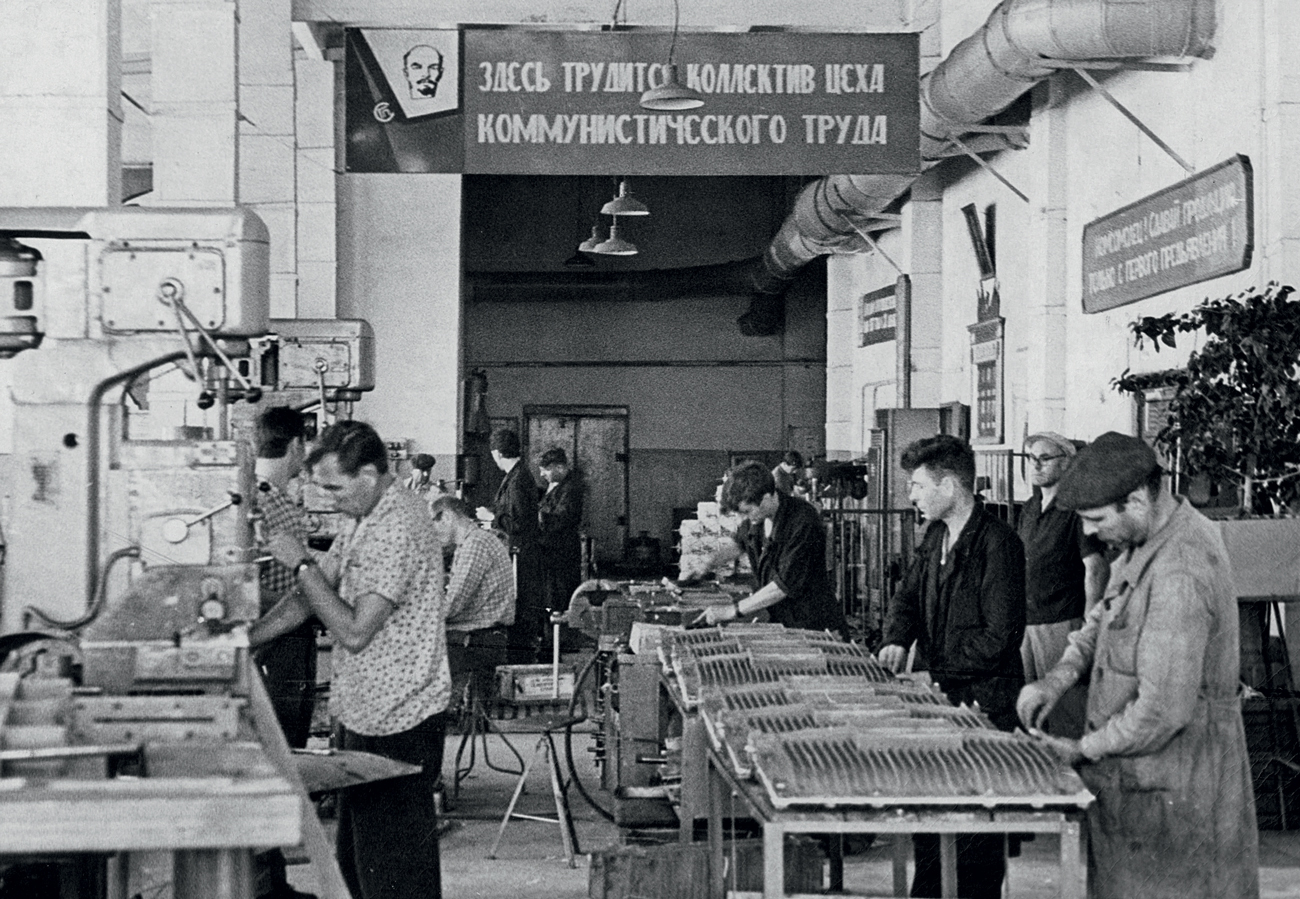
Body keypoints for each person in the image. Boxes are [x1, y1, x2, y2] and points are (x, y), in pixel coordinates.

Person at [1016, 432, 1258, 899]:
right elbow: (1103, 616)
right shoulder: (1145, 539)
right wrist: (1057, 677)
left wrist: (1081, 749)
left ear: (1136, 499)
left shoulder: (1180, 573)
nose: (1088, 533)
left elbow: (1161, 712)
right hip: (1141, 796)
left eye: (1096, 520)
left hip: (1179, 802)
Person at [252, 420, 449, 899]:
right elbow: (313, 594)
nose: (329, 499)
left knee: (394, 874)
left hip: (401, 718)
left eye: (335, 488)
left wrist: (298, 560)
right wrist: (249, 638)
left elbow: (354, 630)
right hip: (363, 709)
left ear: (368, 473)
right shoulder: (362, 516)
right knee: (359, 867)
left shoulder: (397, 525)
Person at [877, 434, 1025, 899]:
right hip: (941, 701)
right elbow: (908, 597)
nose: (912, 496)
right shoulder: (936, 535)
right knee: (932, 824)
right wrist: (896, 639)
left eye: (918, 486)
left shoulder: (998, 545)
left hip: (985, 706)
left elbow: (1000, 638)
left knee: (975, 841)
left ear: (949, 486)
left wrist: (934, 671)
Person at [249, 406, 316, 899]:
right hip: (277, 638)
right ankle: (268, 880)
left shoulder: (262, 496)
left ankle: (272, 878)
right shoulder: (271, 504)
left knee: (276, 756)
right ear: (296, 444)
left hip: (273, 634)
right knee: (279, 752)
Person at [1017, 431, 1108, 738]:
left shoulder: (1075, 509)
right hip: (1029, 620)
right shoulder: (1030, 508)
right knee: (1033, 711)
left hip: (1060, 621)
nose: (1036, 465)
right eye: (1032, 459)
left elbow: (1094, 569)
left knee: (1062, 711)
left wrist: (1088, 626)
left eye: (1045, 458)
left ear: (1067, 464)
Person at [698, 460, 844, 635]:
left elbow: (783, 585)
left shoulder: (803, 520)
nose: (743, 518)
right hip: (782, 619)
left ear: (767, 497)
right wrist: (706, 563)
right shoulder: (757, 518)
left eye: (746, 511)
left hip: (814, 625)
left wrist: (733, 610)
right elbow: (738, 545)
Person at [429, 494, 515, 706]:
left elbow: (453, 604)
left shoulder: (476, 545)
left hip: (477, 640)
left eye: (433, 524)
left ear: (447, 516)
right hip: (479, 634)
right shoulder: (472, 543)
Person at [478, 428, 543, 663]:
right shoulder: (517, 475)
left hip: (521, 555)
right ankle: (519, 656)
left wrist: (490, 517)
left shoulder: (518, 480)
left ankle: (521, 660)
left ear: (496, 453)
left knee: (522, 608)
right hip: (519, 552)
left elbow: (517, 521)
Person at [537, 447, 584, 619]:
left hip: (562, 552)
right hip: (552, 551)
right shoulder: (554, 486)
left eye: (546, 470)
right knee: (552, 595)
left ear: (560, 468)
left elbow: (562, 518)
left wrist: (536, 516)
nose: (542, 475)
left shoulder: (570, 489)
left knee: (560, 596)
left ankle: (561, 639)